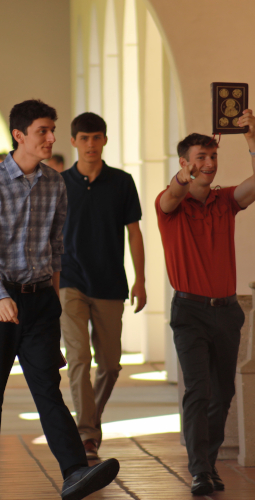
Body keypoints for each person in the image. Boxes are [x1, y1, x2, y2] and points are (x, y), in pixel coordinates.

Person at [0, 99, 119, 500]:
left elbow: (55, 245)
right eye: (43, 131)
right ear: (20, 136)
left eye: (52, 130)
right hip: (0, 303)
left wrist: (52, 298)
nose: (51, 138)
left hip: (40, 303)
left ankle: (74, 472)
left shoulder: (55, 183)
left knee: (48, 389)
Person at [156, 109, 255, 495]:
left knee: (222, 394)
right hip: (189, 311)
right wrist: (182, 178)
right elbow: (173, 195)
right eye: (200, 159)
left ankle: (207, 463)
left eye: (212, 158)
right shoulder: (169, 206)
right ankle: (199, 470)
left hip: (226, 311)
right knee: (198, 390)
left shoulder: (225, 201)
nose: (208, 164)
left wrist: (250, 137)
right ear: (185, 163)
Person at [60, 112, 147, 460]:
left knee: (110, 364)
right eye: (84, 138)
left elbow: (135, 233)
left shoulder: (122, 182)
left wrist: (141, 278)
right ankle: (86, 434)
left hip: (110, 282)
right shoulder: (59, 183)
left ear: (105, 140)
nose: (91, 144)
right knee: (79, 356)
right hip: (70, 281)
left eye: (96, 138)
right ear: (74, 142)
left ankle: (90, 421)